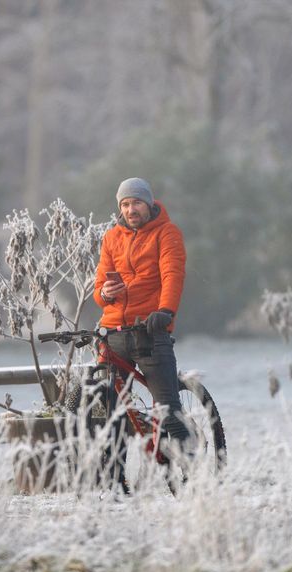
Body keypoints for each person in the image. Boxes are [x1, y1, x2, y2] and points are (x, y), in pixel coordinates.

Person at [93, 177, 191, 488]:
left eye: (136, 202)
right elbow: (97, 290)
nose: (130, 209)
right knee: (109, 412)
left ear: (148, 204)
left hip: (150, 330)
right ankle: (115, 482)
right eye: (124, 204)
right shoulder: (112, 238)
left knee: (168, 409)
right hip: (115, 332)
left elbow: (172, 274)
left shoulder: (167, 233)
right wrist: (105, 293)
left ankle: (196, 478)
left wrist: (165, 312)